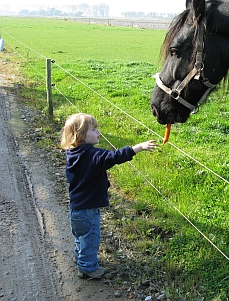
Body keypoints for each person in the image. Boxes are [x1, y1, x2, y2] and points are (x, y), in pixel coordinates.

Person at [60, 113, 158, 279]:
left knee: (81, 238)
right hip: (88, 210)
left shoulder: (73, 154)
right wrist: (138, 147)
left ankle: (80, 257)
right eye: (94, 129)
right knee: (91, 240)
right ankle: (87, 268)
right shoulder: (92, 155)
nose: (98, 132)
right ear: (80, 134)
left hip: (75, 209)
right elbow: (114, 157)